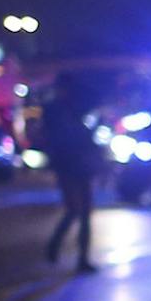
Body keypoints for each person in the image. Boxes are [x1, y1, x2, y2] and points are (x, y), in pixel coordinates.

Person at [42, 74, 102, 274]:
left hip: (79, 164)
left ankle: (81, 258)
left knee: (83, 212)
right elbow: (56, 138)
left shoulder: (74, 108)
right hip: (68, 165)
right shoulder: (55, 110)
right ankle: (55, 247)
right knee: (75, 209)